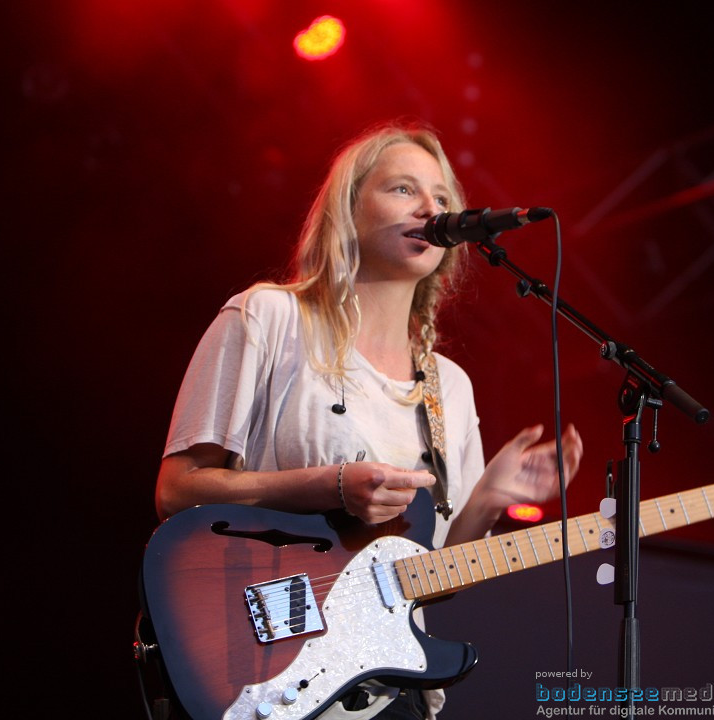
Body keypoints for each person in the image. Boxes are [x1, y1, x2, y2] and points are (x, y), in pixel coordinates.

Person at [155, 120, 584, 720]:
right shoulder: (269, 317)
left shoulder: (448, 387)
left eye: (441, 198)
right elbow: (178, 490)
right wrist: (331, 486)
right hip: (265, 671)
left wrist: (490, 499)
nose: (431, 208)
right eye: (404, 190)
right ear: (347, 211)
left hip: (386, 693)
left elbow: (423, 578)